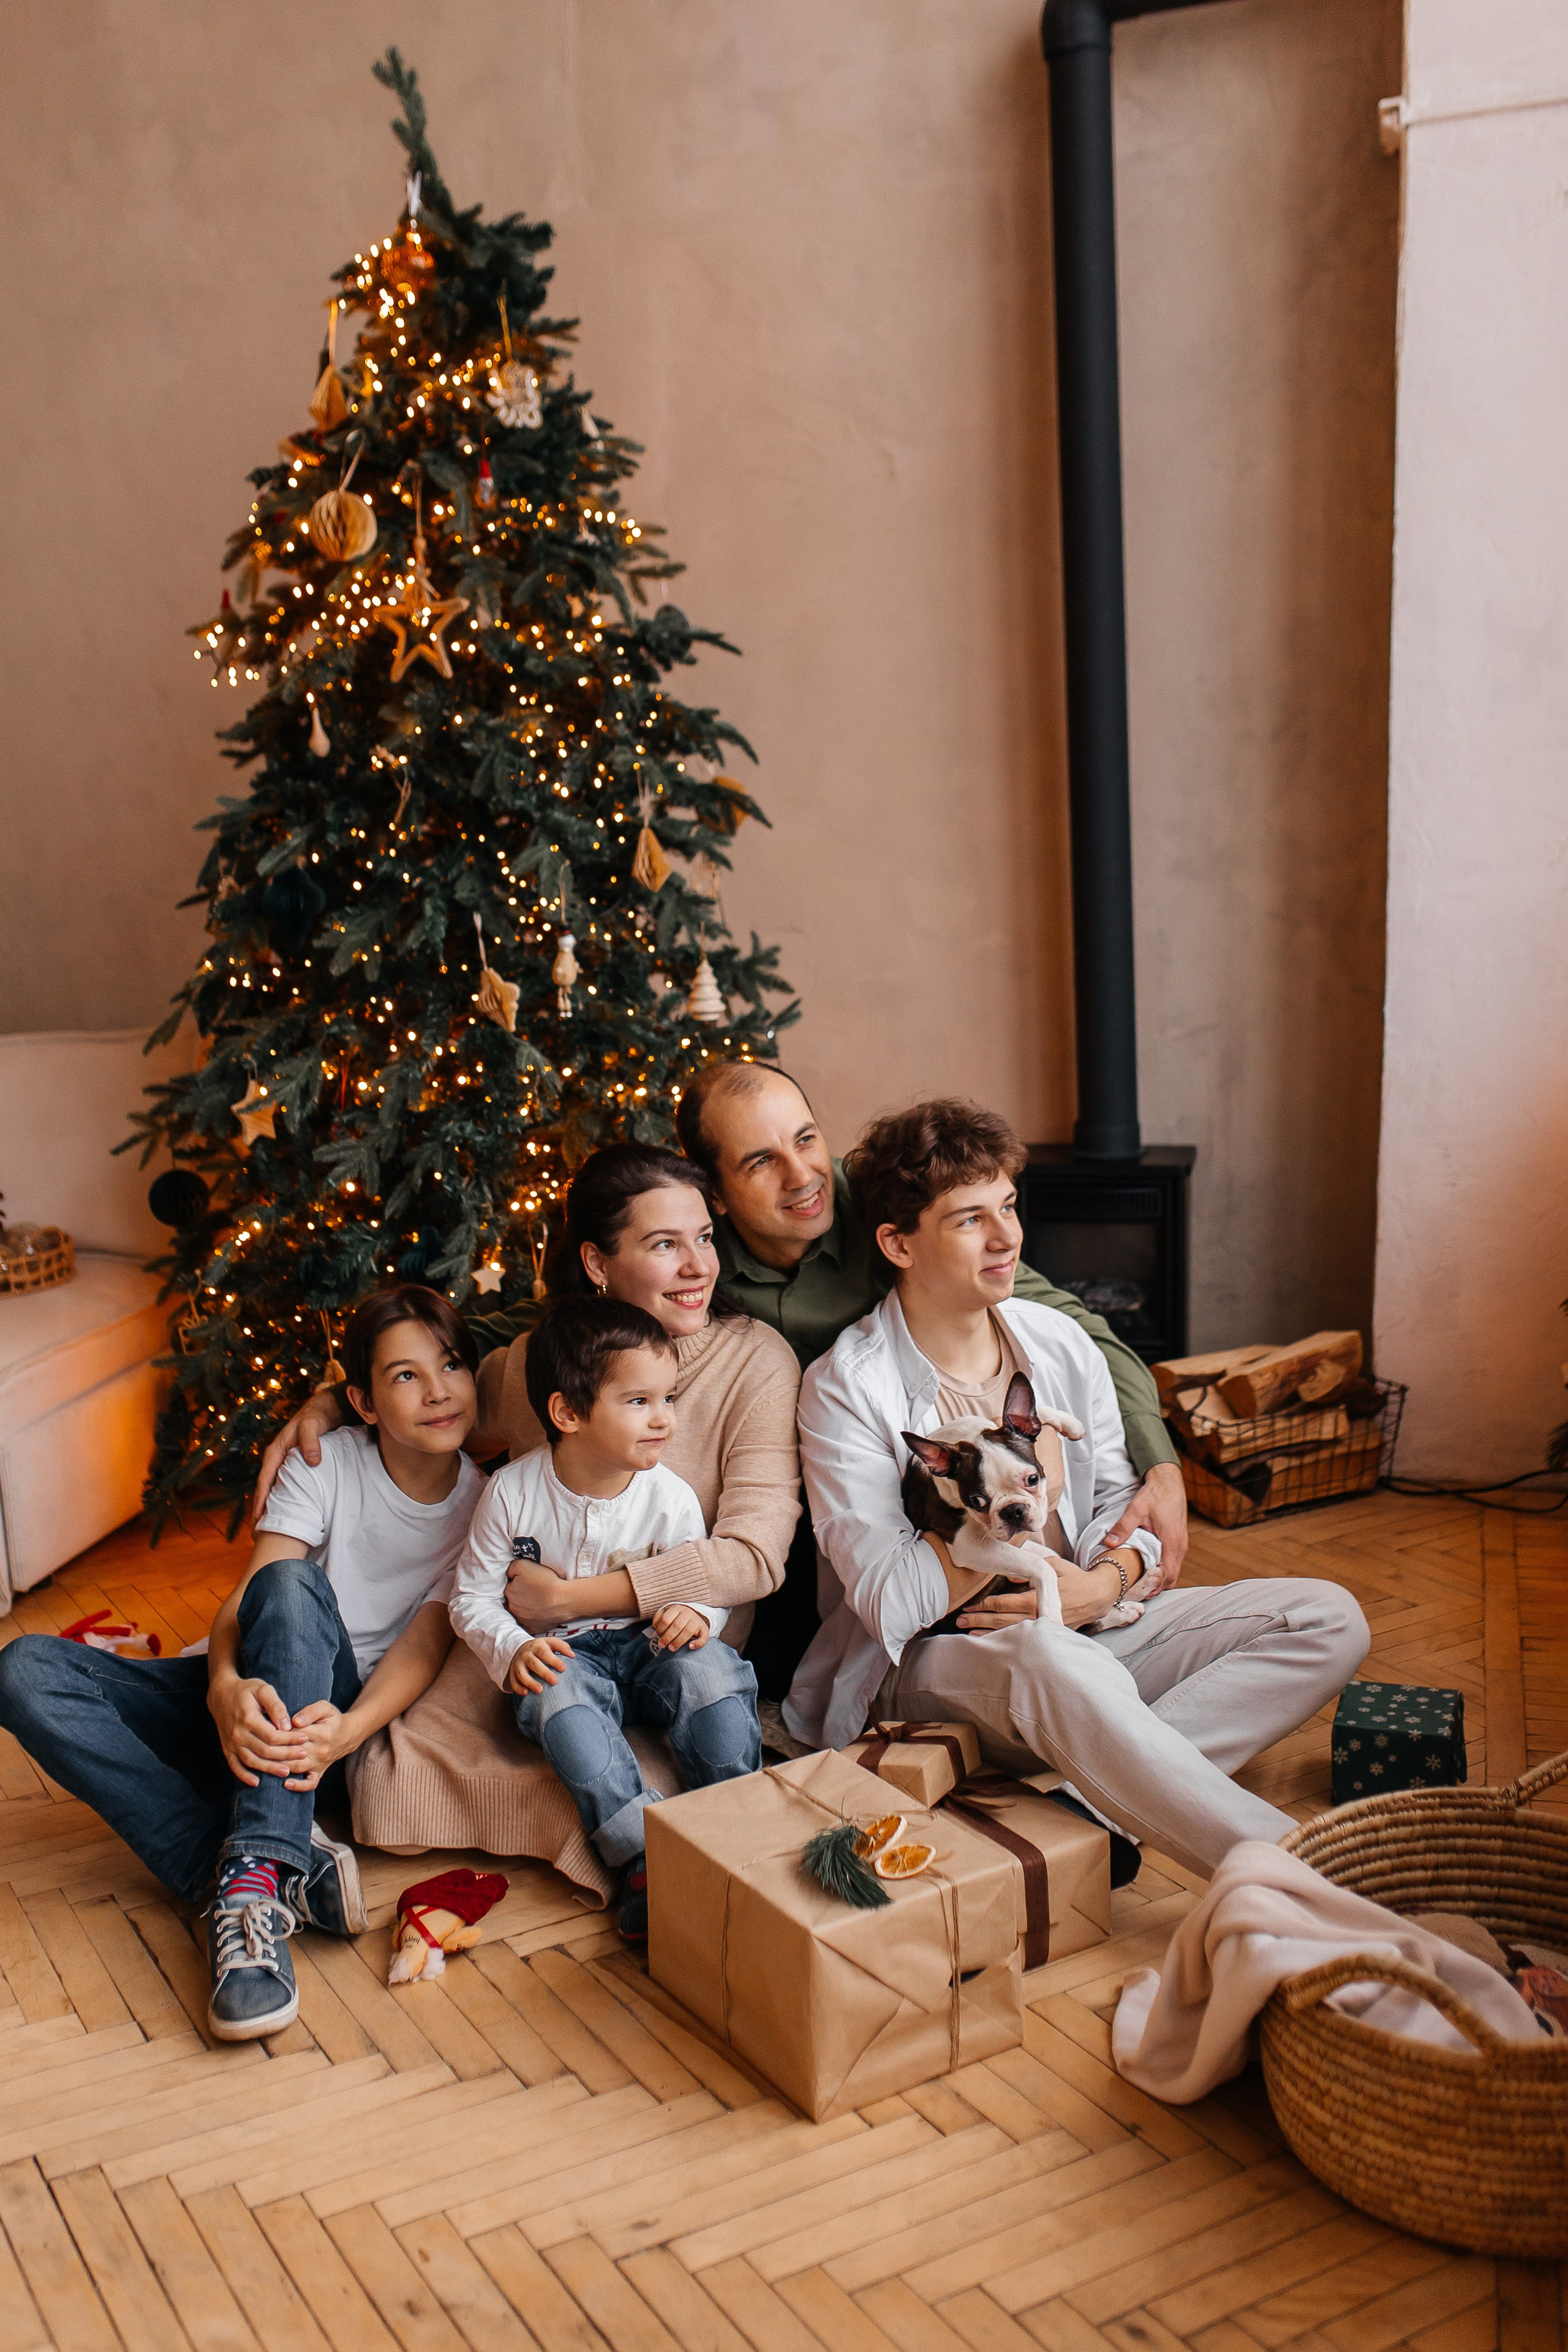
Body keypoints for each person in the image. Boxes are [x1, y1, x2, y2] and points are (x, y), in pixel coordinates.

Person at [785, 1098, 1370, 1880]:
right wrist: (1010, 1504)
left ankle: (1093, 1808)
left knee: (1328, 1618)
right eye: (969, 1221)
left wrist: (1106, 1582)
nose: (1007, 1239)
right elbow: (890, 1601)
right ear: (897, 1242)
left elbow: (1119, 1512)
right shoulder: (844, 1390)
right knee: (1055, 1664)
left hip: (1088, 1626)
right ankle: (1310, 1876)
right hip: (939, 1663)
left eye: (1009, 1206)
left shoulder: (1059, 1342)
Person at [0, 1286, 482, 2040]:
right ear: (361, 1399)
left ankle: (254, 1889)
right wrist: (223, 1686)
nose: (438, 1391)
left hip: (324, 1724)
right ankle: (248, 1864)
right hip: (245, 1701)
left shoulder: (485, 1508)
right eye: (405, 1376)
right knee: (24, 1669)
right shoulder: (326, 1462)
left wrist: (348, 1732)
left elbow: (425, 1643)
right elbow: (250, 1595)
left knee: (297, 1588)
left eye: (452, 1365)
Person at [673, 1058, 1189, 1689]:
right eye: (760, 1161)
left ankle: (1093, 1761)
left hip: (1045, 1588)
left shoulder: (874, 1197)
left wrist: (1144, 1502)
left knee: (1322, 1621)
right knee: (1061, 1676)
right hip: (840, 1536)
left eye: (806, 1139)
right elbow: (888, 1593)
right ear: (716, 1195)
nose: (800, 1174)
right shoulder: (690, 1254)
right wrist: (1039, 1488)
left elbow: (1063, 1322)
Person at [450, 1295, 761, 1938]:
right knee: (557, 1702)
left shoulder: (669, 1496)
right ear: (568, 1413)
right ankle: (642, 1860)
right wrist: (513, 1650)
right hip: (566, 1654)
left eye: (668, 1399)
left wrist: (697, 1614)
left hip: (651, 1647)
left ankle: (741, 1822)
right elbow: (472, 1598)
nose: (664, 1421)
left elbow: (701, 1578)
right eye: (639, 1402)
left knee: (711, 1678)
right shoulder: (512, 1492)